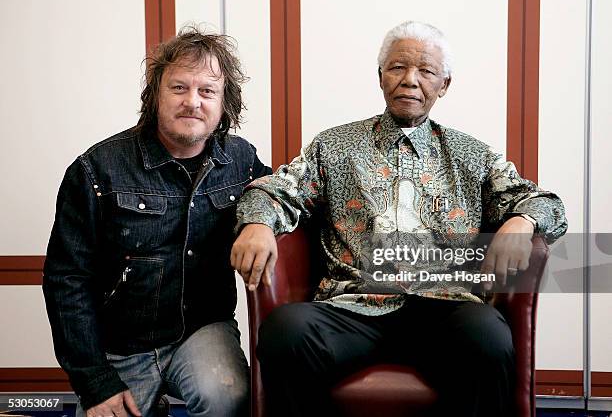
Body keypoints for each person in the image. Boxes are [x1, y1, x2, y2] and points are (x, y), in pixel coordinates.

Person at [231, 21, 568, 416]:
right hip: (351, 308)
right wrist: (257, 222)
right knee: (286, 331)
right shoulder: (334, 146)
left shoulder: (472, 155)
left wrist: (521, 221)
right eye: (397, 68)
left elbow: (548, 203)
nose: (410, 80)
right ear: (380, 77)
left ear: (444, 85)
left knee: (489, 335)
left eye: (425, 71)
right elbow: (276, 189)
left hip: (444, 309)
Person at [43, 26, 271, 417]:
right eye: (179, 88)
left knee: (226, 397)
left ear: (224, 104)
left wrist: (260, 221)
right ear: (156, 96)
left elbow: (282, 191)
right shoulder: (96, 170)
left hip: (202, 331)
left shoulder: (241, 158)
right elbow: (66, 281)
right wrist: (95, 384)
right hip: (119, 344)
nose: (192, 103)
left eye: (207, 91)